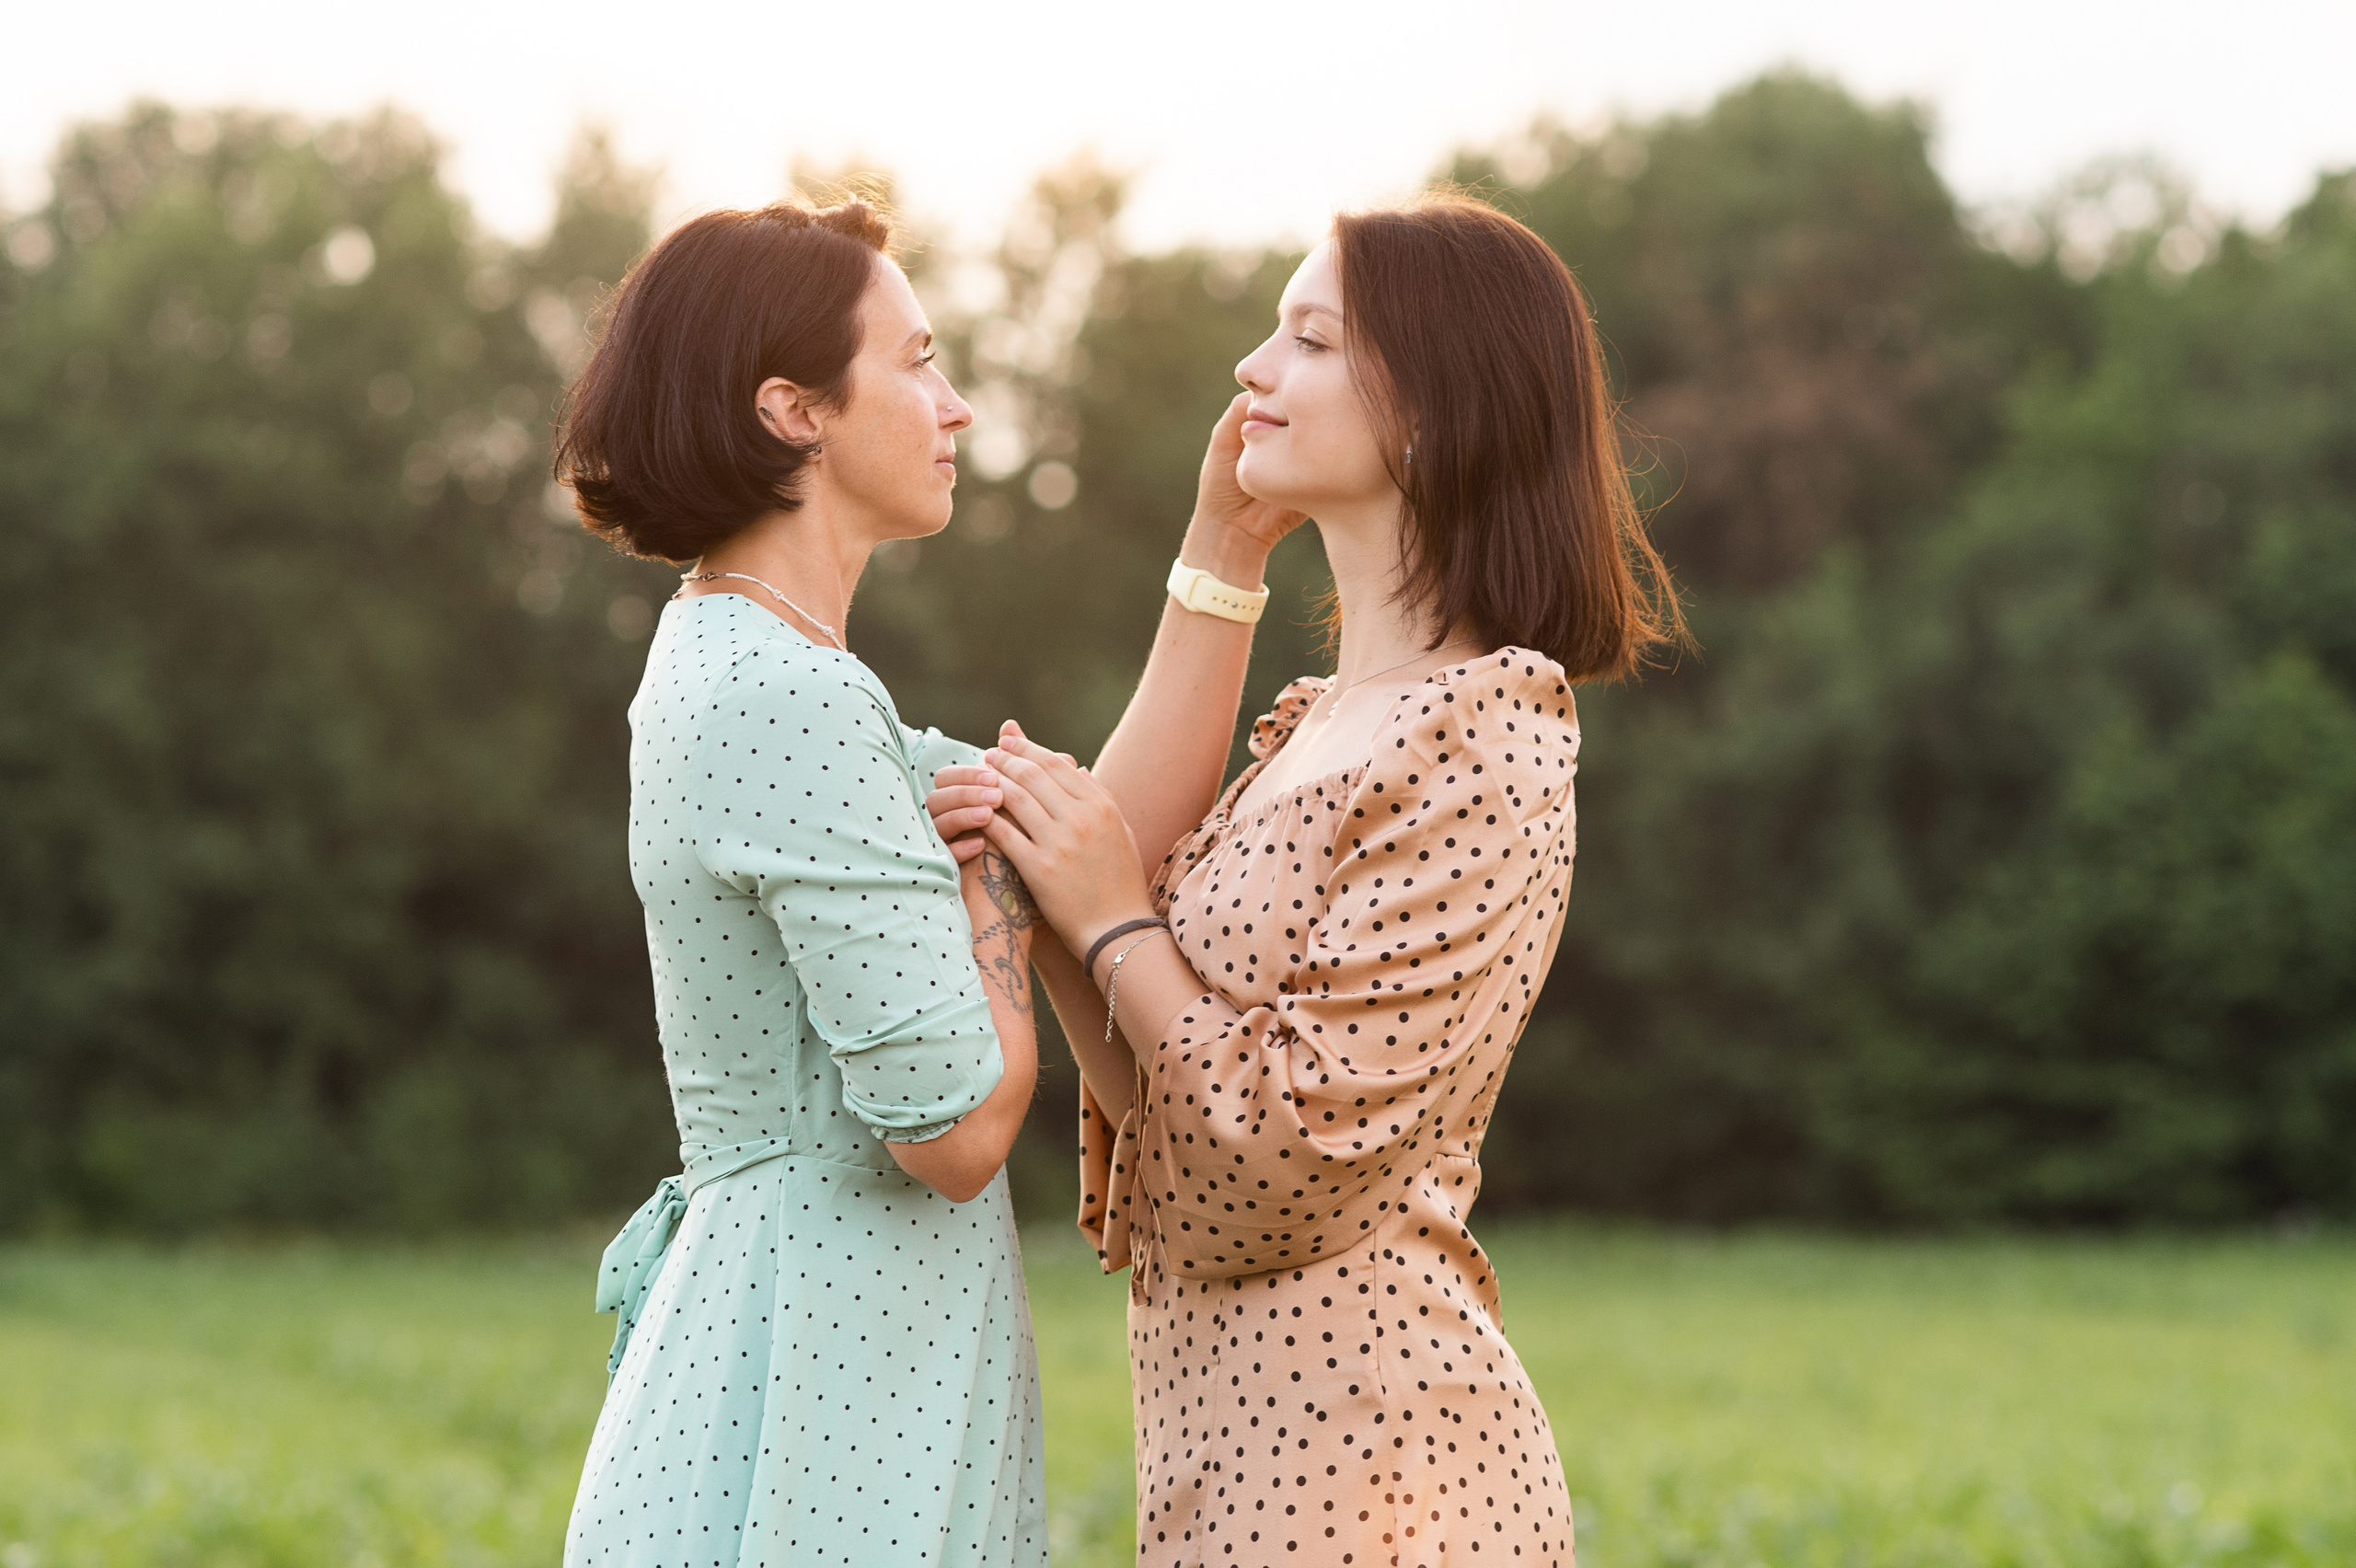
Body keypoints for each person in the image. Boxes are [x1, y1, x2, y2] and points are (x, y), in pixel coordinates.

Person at [930, 192, 1682, 1568]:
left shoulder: (1484, 736)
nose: (1251, 370)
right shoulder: (1321, 722)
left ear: (1437, 412)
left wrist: (1105, 915)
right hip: (1233, 1468)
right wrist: (1218, 557)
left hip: (1382, 1477)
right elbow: (1166, 1085)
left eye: (1310, 338)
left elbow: (1275, 1162)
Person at [553, 197, 1047, 1567]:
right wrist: (998, 895)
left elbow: (1071, 809)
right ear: (795, 411)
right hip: (825, 1374)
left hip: (836, 1342)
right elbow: (950, 1132)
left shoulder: (766, 672)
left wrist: (1224, 560)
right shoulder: (783, 697)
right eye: (920, 360)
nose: (954, 408)